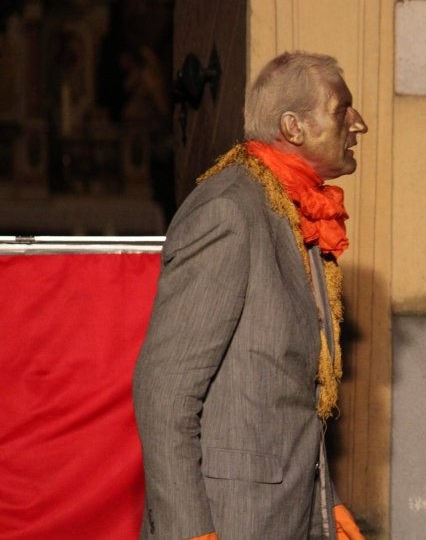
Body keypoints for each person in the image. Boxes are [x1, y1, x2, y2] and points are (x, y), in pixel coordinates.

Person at [133, 51, 369, 540]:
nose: (358, 123)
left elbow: (289, 395)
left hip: (286, 512)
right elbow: (164, 393)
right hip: (229, 519)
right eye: (341, 109)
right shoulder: (230, 212)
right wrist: (188, 530)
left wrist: (327, 503)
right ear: (294, 127)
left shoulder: (292, 208)